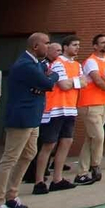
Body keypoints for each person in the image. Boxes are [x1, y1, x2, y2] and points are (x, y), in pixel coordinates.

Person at [0, 32, 61, 208]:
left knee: (29, 154)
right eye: (46, 43)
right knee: (10, 158)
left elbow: (44, 79)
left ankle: (12, 195)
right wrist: (51, 77)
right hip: (22, 117)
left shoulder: (38, 64)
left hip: (34, 117)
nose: (49, 46)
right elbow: (47, 82)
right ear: (36, 46)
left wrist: (46, 79)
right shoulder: (25, 65)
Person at [31, 37, 83, 192]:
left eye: (78, 45)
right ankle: (39, 181)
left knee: (66, 142)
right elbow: (63, 85)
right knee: (49, 145)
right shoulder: (58, 63)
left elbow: (84, 82)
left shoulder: (77, 65)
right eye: (74, 45)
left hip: (70, 108)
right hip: (55, 109)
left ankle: (57, 179)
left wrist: (72, 82)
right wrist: (76, 82)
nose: (77, 48)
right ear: (65, 47)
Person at [76, 33, 105, 182]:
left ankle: (82, 172)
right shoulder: (91, 61)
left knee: (91, 138)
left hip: (104, 103)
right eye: (102, 42)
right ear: (95, 46)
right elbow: (98, 81)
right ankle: (95, 165)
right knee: (99, 136)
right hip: (90, 104)